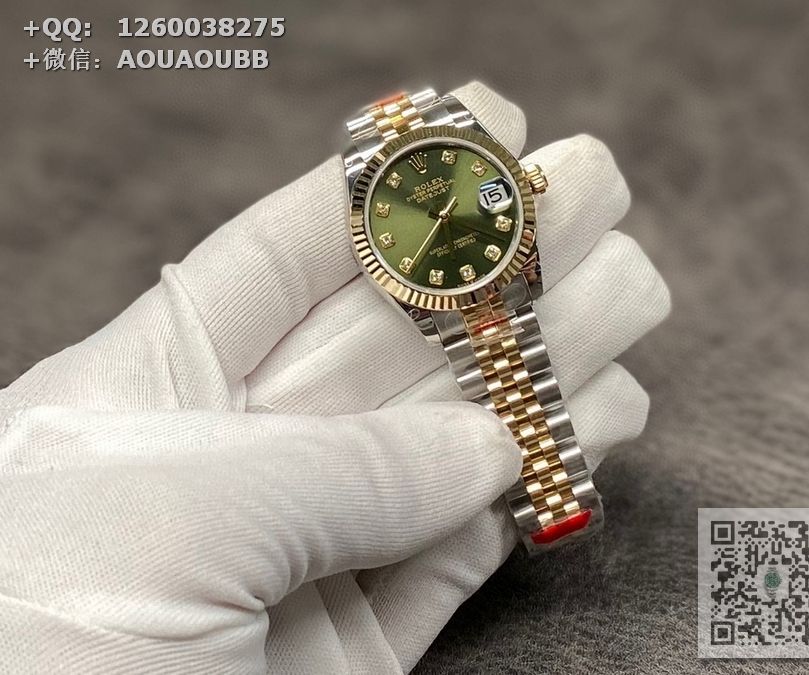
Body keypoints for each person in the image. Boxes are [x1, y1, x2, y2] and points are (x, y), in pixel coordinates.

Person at [0, 83, 670, 674]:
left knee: (537, 377)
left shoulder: (439, 214)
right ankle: (550, 500)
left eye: (450, 209)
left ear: (526, 189)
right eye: (428, 217)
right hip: (463, 288)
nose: (442, 218)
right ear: (382, 252)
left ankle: (554, 500)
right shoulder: (401, 237)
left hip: (493, 282)